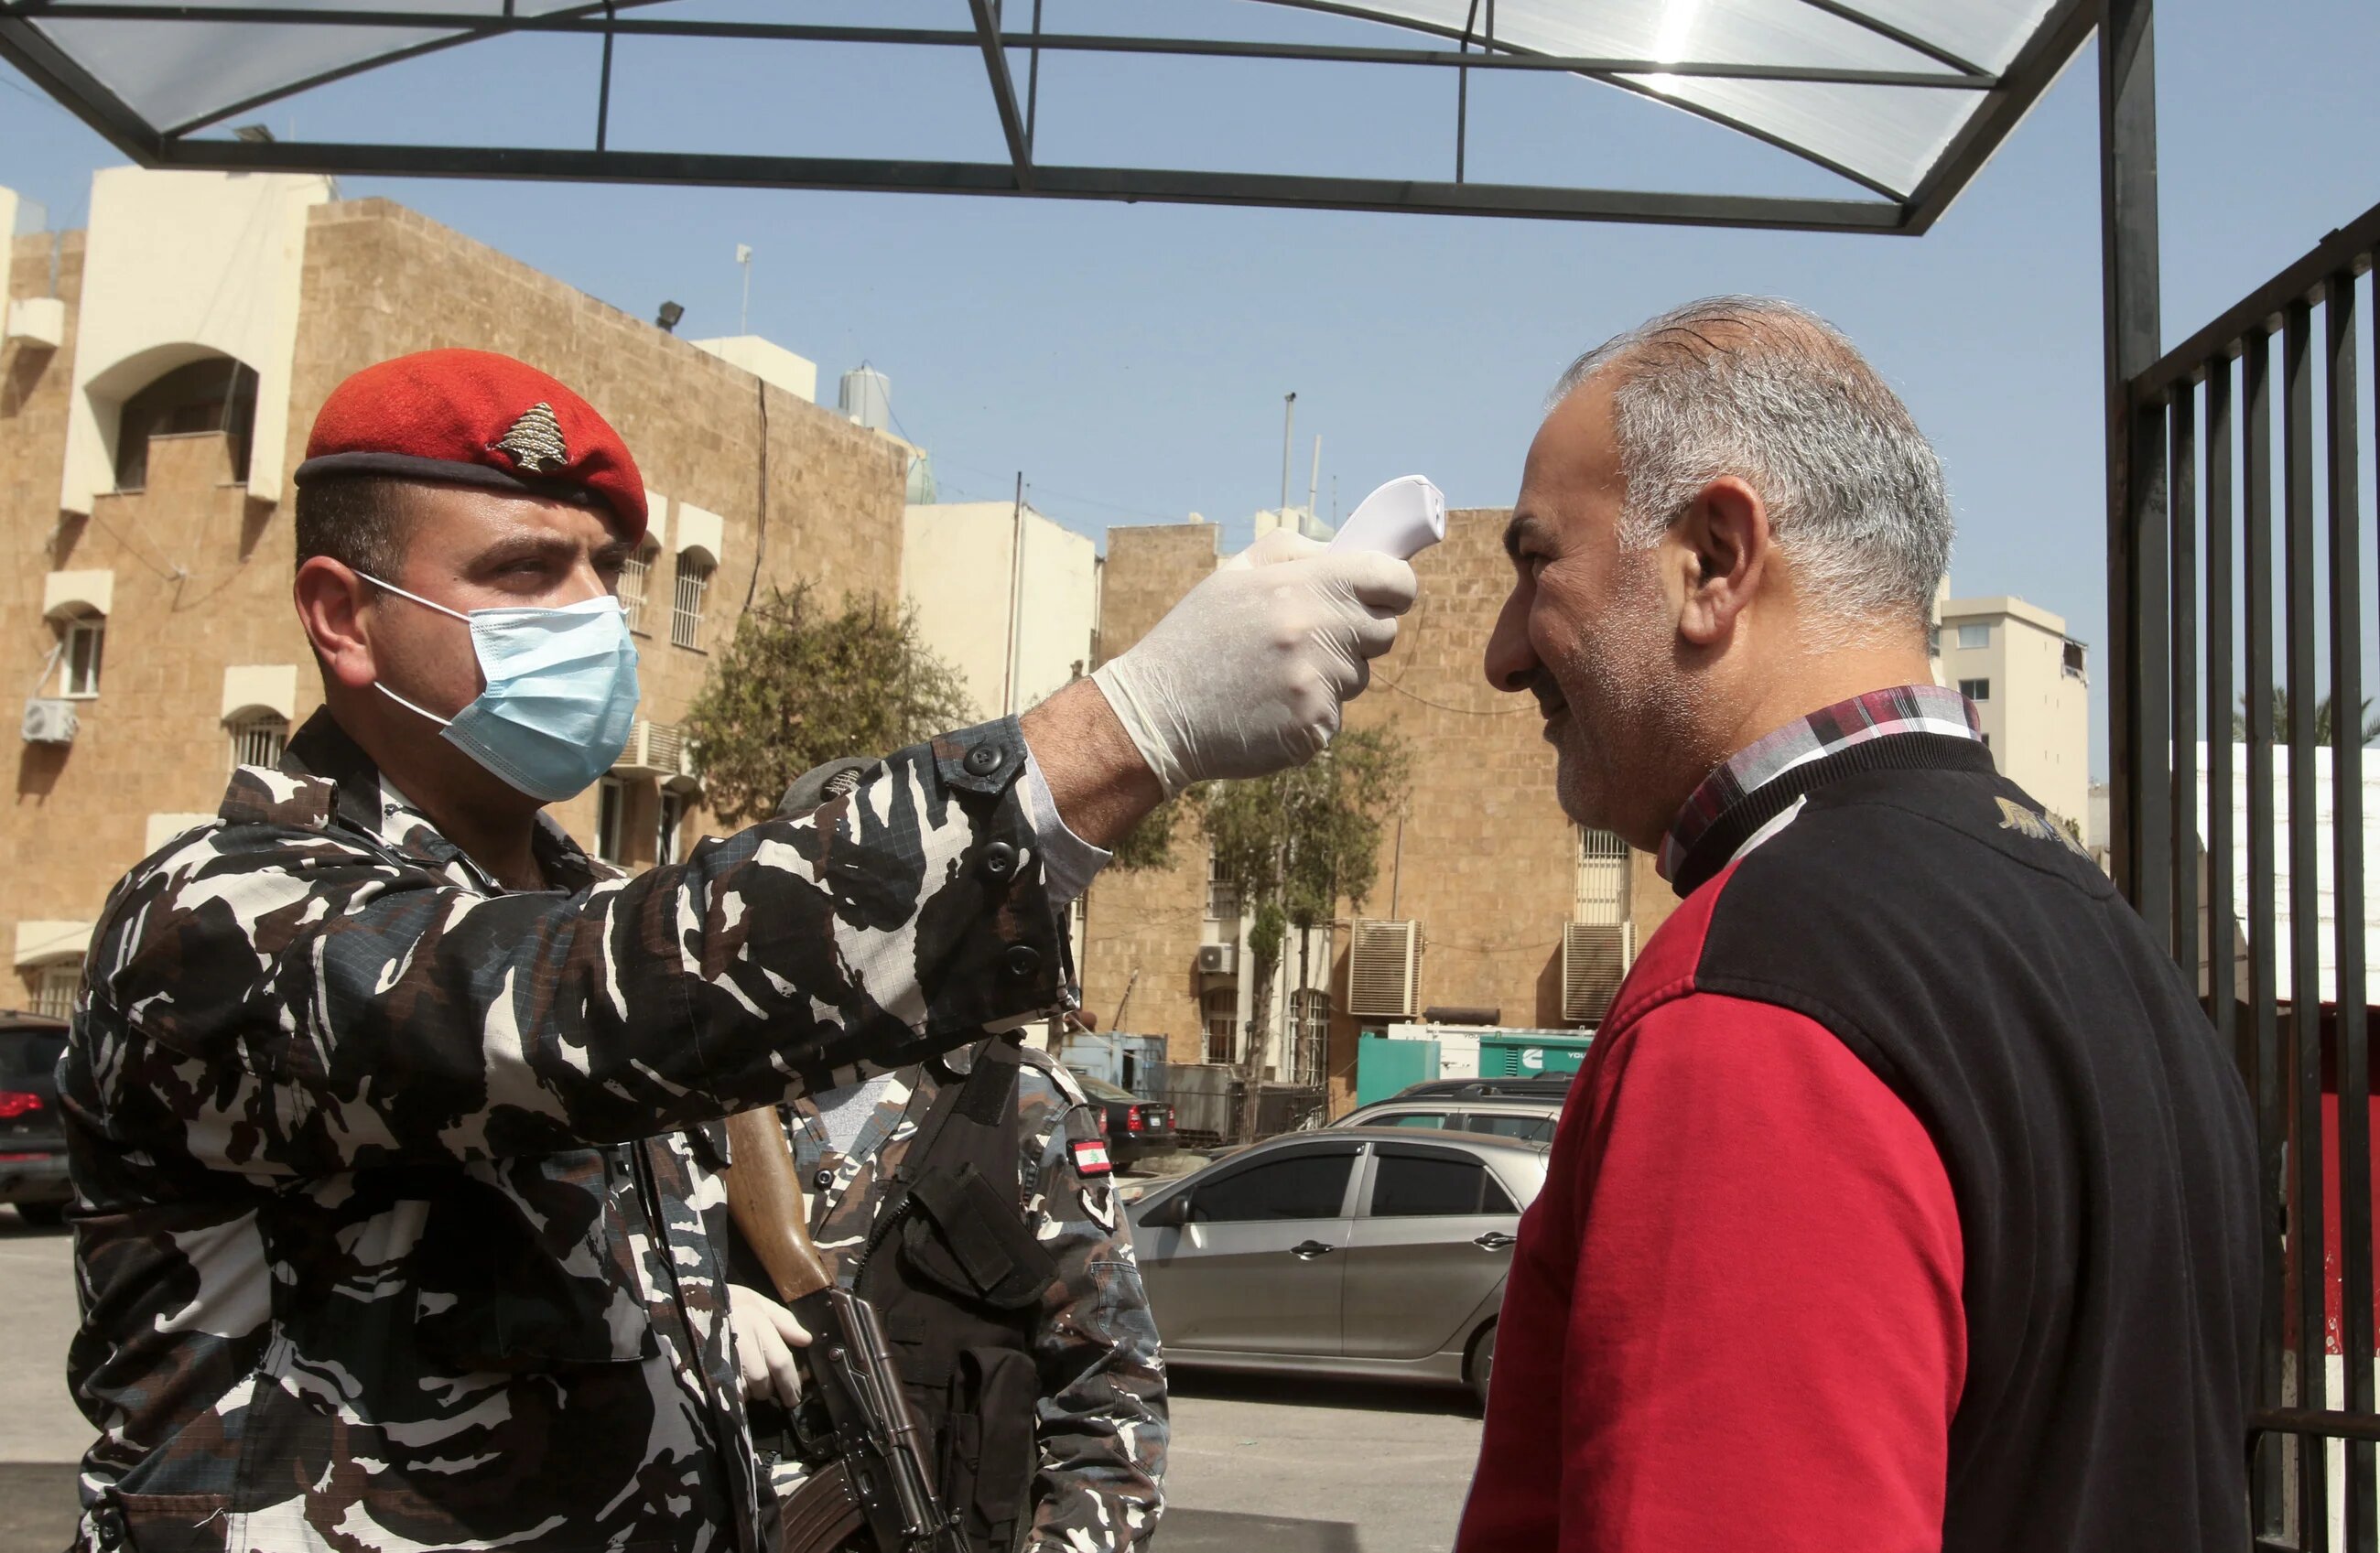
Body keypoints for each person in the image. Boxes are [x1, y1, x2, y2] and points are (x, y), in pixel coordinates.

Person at [60, 348, 1412, 1553]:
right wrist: (1126, 728)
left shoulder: (586, 896)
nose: (593, 613)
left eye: (606, 571)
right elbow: (602, 992)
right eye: (524, 571)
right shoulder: (220, 914)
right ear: (344, 617)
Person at [1455, 298, 2258, 1553]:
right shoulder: (2112, 946)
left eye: (1536, 563)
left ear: (1713, 558)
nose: (1503, 654)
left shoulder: (1755, 992)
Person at [721, 766, 1164, 1553]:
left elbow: (1111, 1392)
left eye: (884, 891)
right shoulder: (693, 1094)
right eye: (825, 888)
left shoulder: (1025, 1108)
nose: (855, 922)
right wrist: (696, 1308)